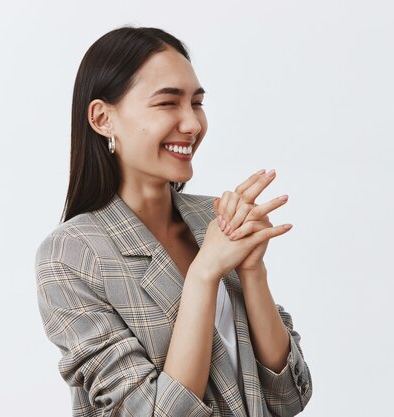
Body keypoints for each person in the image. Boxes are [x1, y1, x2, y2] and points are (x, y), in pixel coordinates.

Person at [34, 26, 313, 417]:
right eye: (168, 103)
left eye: (196, 103)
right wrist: (203, 275)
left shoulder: (214, 219)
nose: (193, 124)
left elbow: (289, 397)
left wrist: (252, 271)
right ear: (102, 119)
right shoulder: (72, 255)